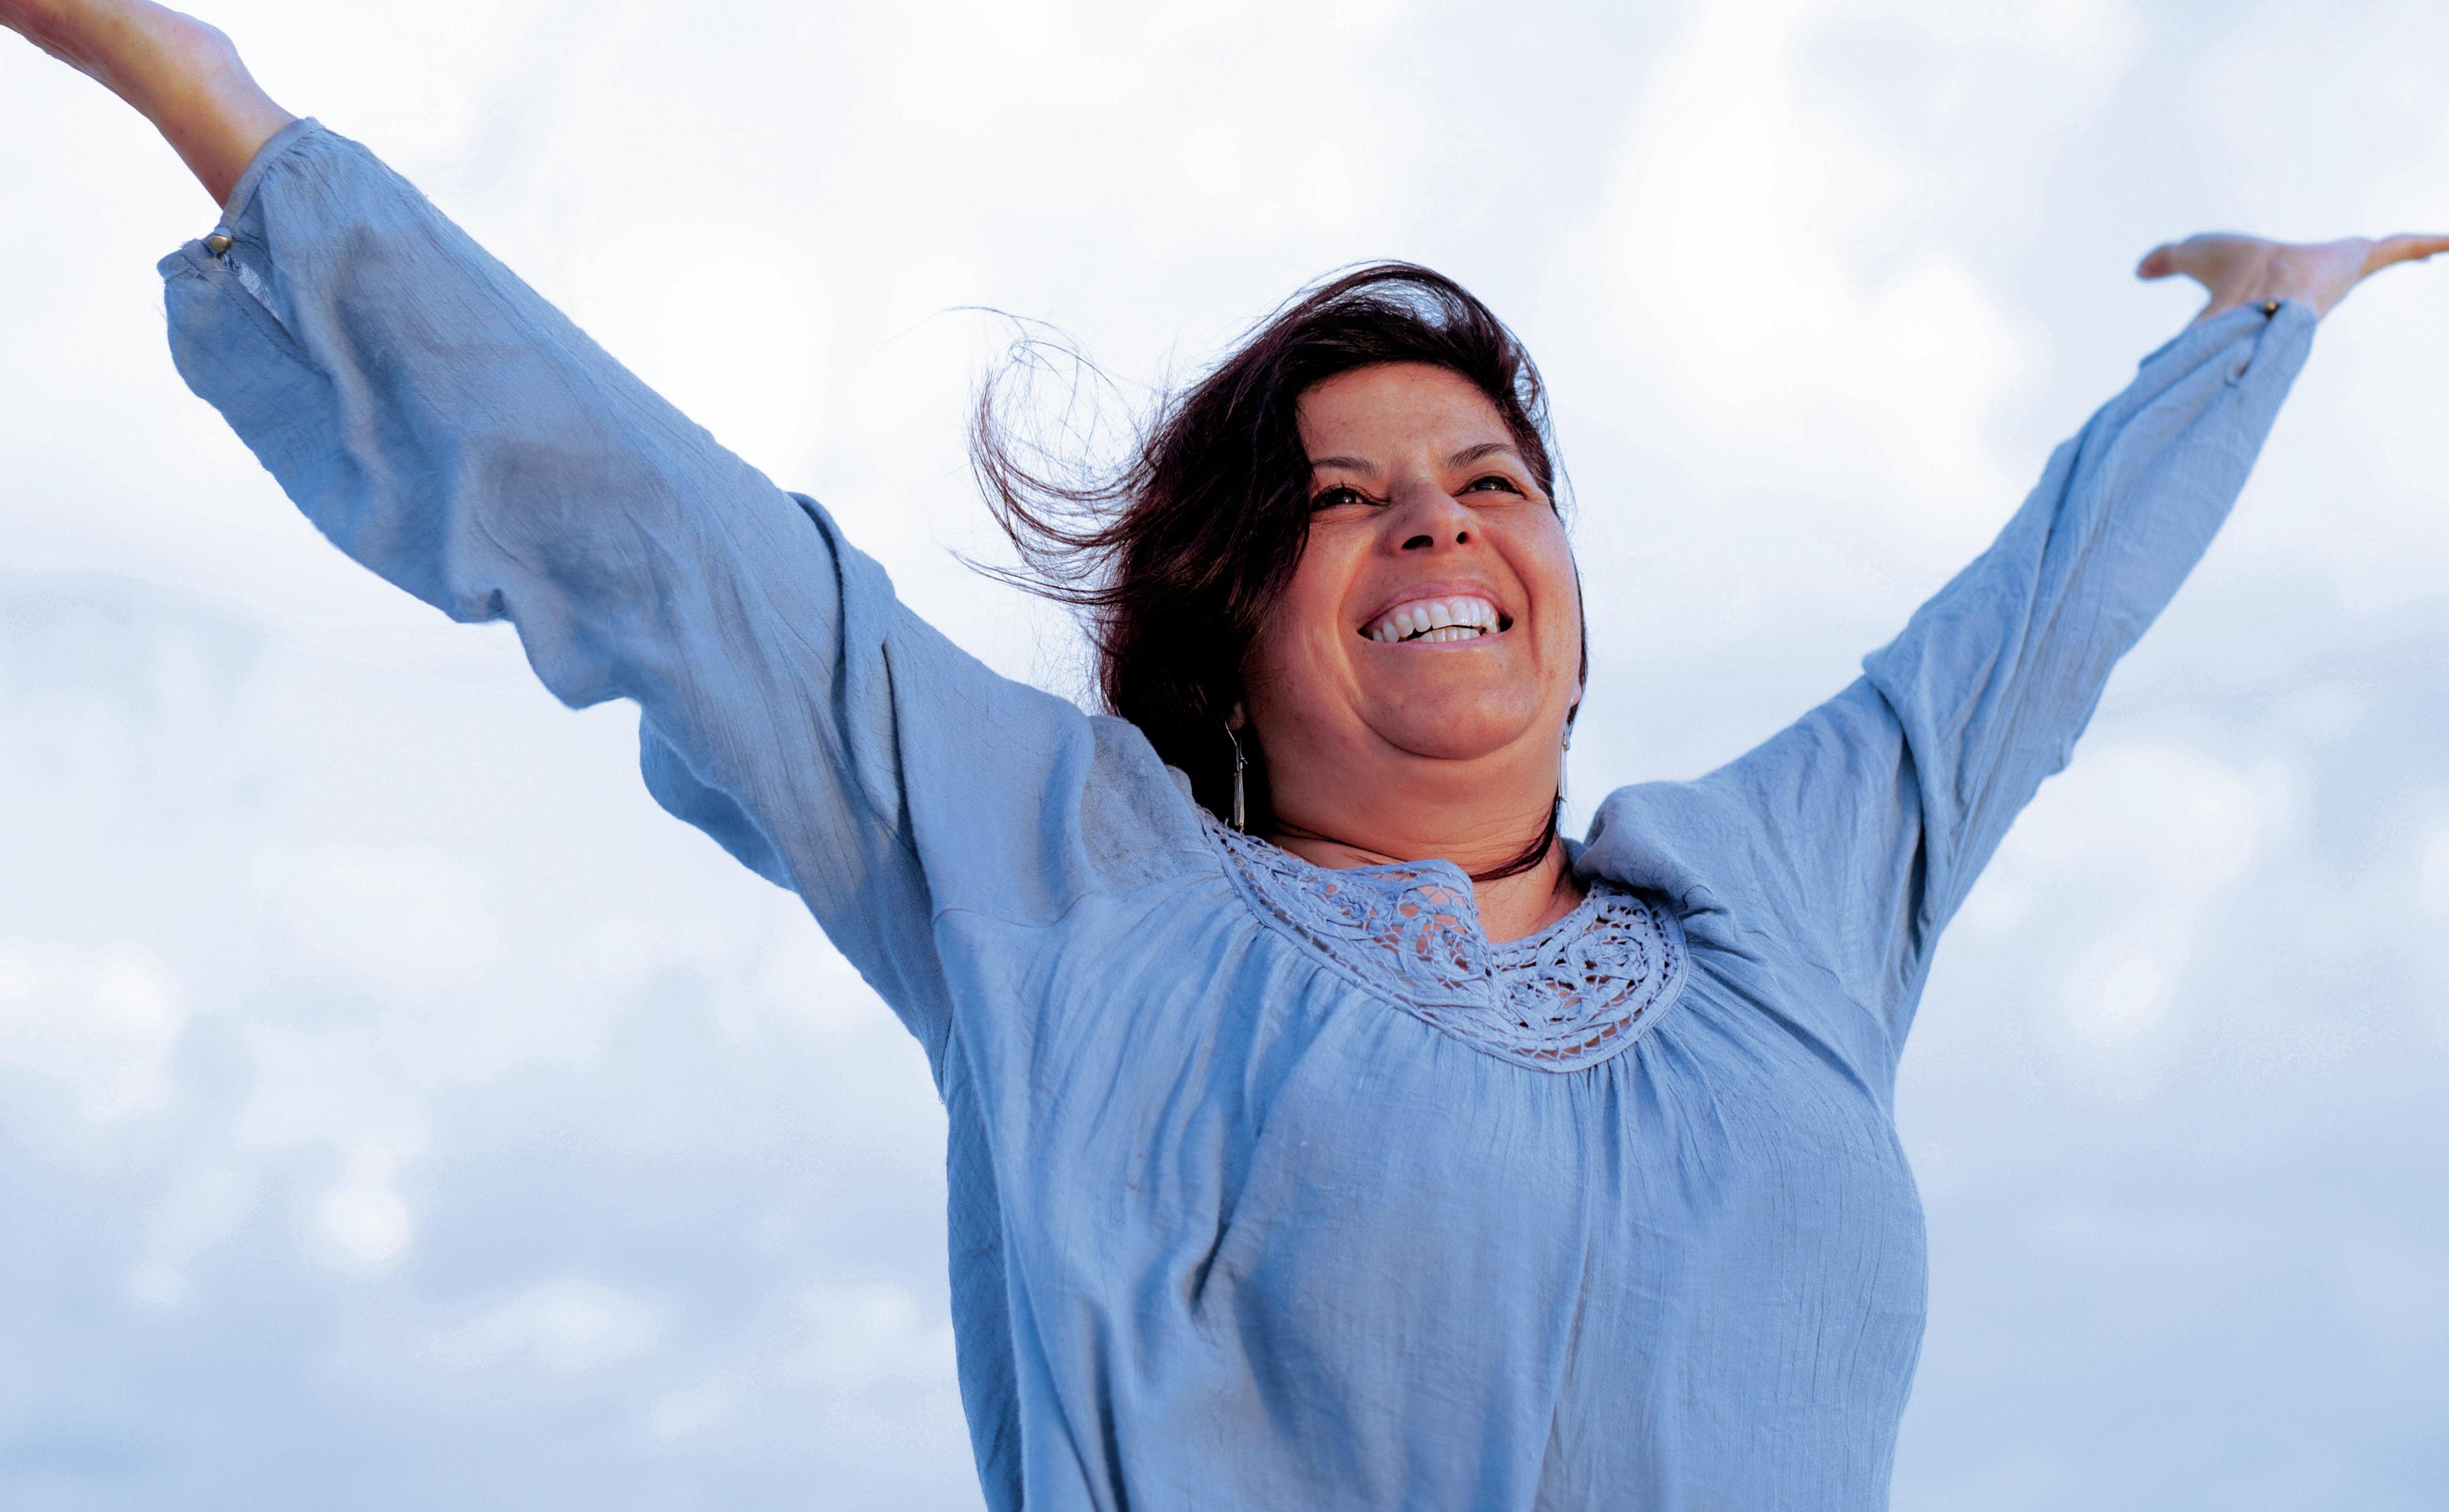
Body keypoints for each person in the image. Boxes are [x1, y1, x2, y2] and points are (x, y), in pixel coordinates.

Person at [9, 2, 2444, 1506]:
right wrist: (212, 103)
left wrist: (2267, 325)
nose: (1438, 520)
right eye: (1345, 498)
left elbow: (2039, 619)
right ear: (1227, 628)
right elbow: (675, 551)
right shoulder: (1082, 902)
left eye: (1490, 479)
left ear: (1569, 604)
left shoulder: (1779, 898)